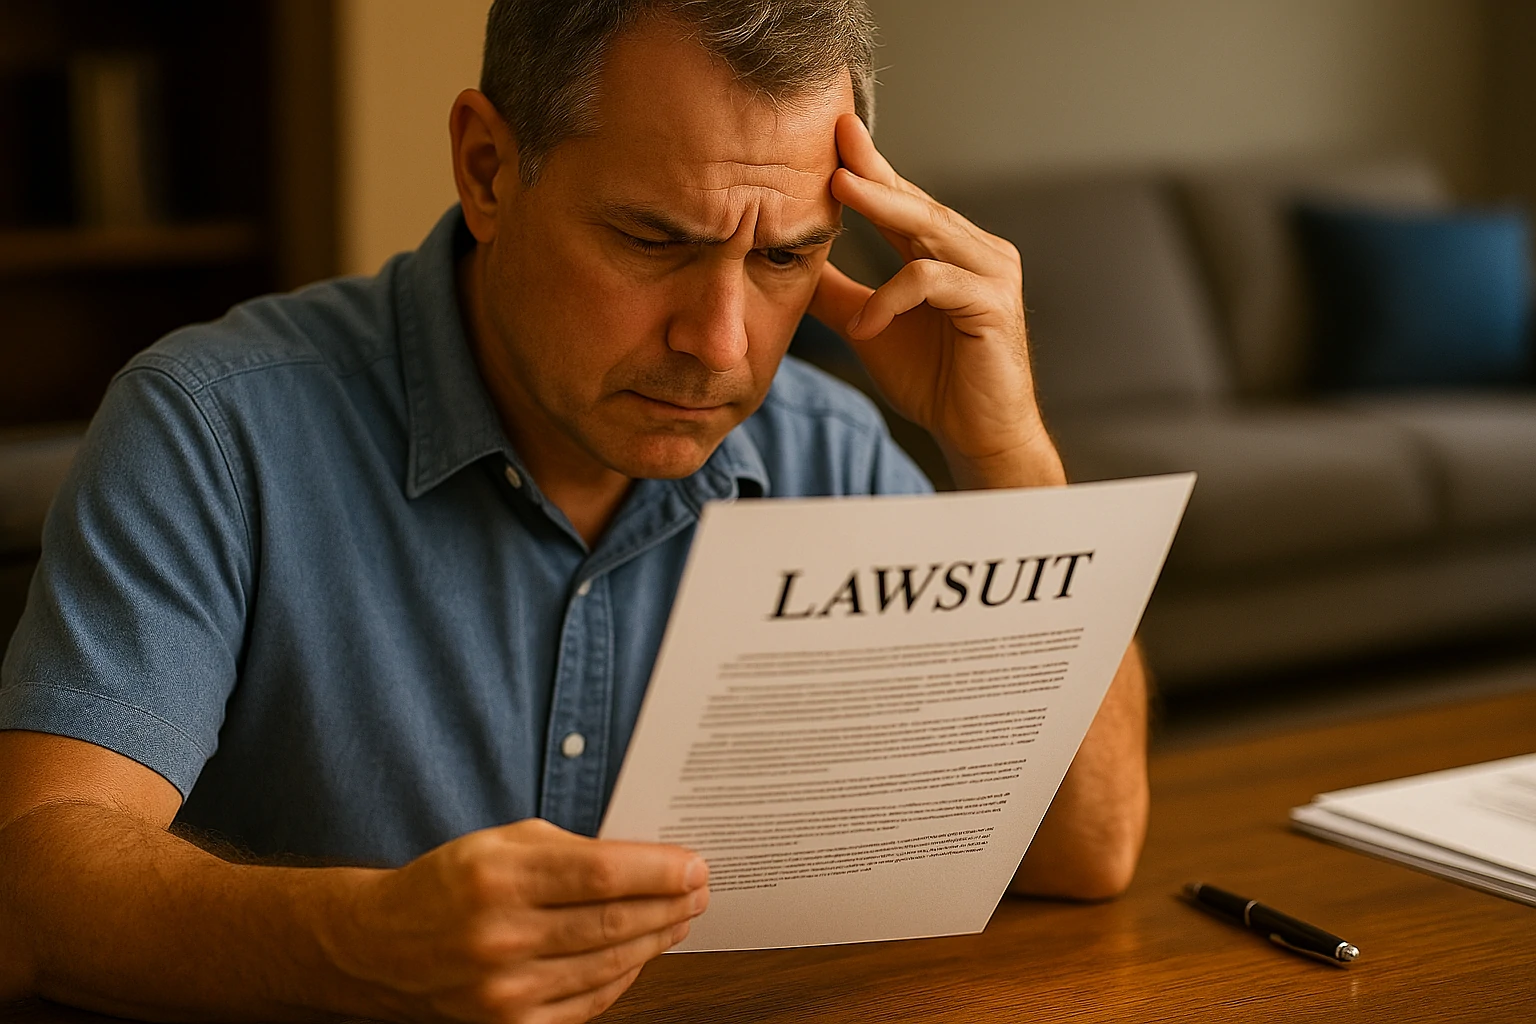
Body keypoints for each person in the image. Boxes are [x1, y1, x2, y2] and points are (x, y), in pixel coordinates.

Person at [0, 1, 1149, 1020]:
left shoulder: (829, 447)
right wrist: (360, 945)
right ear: (490, 168)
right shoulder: (212, 429)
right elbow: (31, 884)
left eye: (786, 256)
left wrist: (1004, 453)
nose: (723, 343)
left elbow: (1085, 848)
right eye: (655, 240)